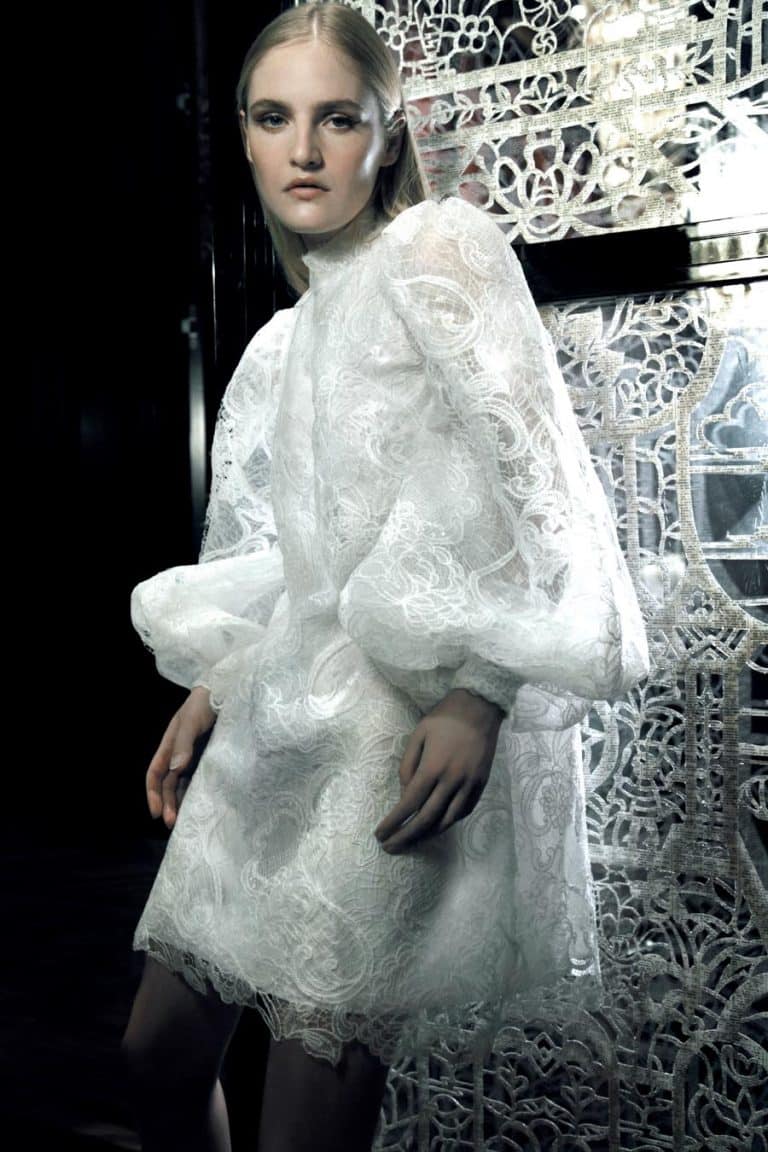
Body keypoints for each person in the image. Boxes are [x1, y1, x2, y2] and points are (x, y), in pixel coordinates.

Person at [120, 4, 650, 1151]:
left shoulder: (439, 251)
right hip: (275, 721)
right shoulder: (277, 343)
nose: (305, 150)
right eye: (275, 118)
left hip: (385, 733)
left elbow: (540, 484)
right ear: (245, 136)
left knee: (310, 1098)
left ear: (390, 136)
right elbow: (281, 557)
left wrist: (482, 692)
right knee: (155, 1062)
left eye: (339, 118)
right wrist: (217, 680)